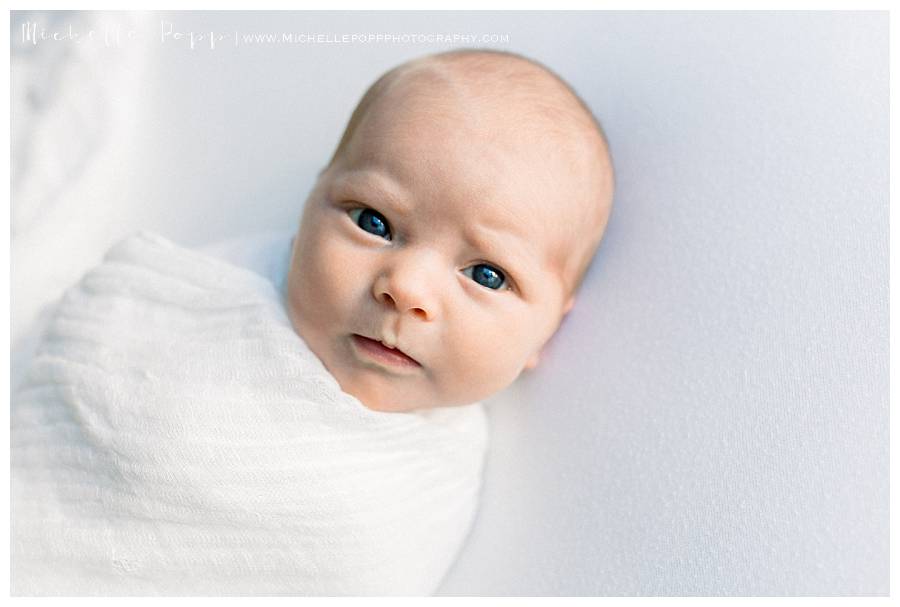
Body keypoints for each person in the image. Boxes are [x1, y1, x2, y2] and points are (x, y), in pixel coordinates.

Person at [285, 48, 615, 412]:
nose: (407, 288)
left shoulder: (437, 464)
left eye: (487, 276)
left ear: (547, 330)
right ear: (306, 213)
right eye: (372, 222)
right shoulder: (224, 298)